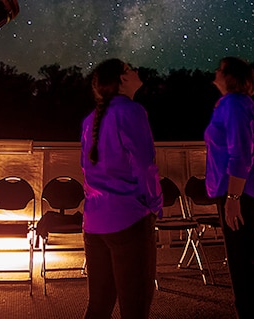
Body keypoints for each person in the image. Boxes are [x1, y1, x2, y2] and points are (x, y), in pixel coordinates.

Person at [80, 59, 163, 319]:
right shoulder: (132, 111)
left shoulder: (90, 120)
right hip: (129, 221)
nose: (137, 70)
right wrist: (155, 204)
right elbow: (144, 165)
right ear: (121, 80)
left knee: (98, 307)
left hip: (94, 224)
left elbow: (86, 168)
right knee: (135, 309)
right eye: (130, 68)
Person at [204, 56, 254, 319]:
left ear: (232, 76)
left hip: (240, 194)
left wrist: (233, 196)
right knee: (243, 266)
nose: (215, 71)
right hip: (237, 192)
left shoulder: (235, 104)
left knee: (245, 268)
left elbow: (241, 153)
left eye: (220, 69)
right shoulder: (231, 104)